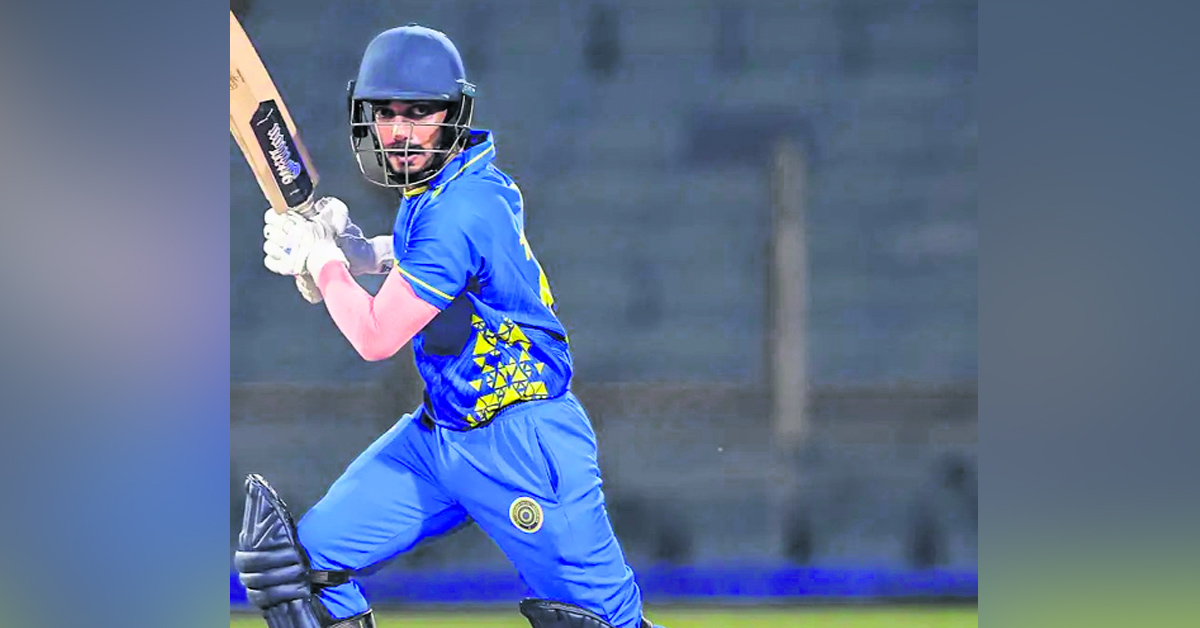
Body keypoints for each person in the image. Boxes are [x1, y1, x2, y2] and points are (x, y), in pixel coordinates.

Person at [234, 24, 664, 628]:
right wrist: (359, 252)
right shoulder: (446, 187)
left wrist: (323, 260)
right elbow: (443, 268)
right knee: (298, 571)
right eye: (386, 112)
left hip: (522, 441)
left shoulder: (459, 208)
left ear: (453, 112)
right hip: (439, 438)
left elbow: (376, 336)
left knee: (601, 623)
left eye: (420, 112)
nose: (400, 131)